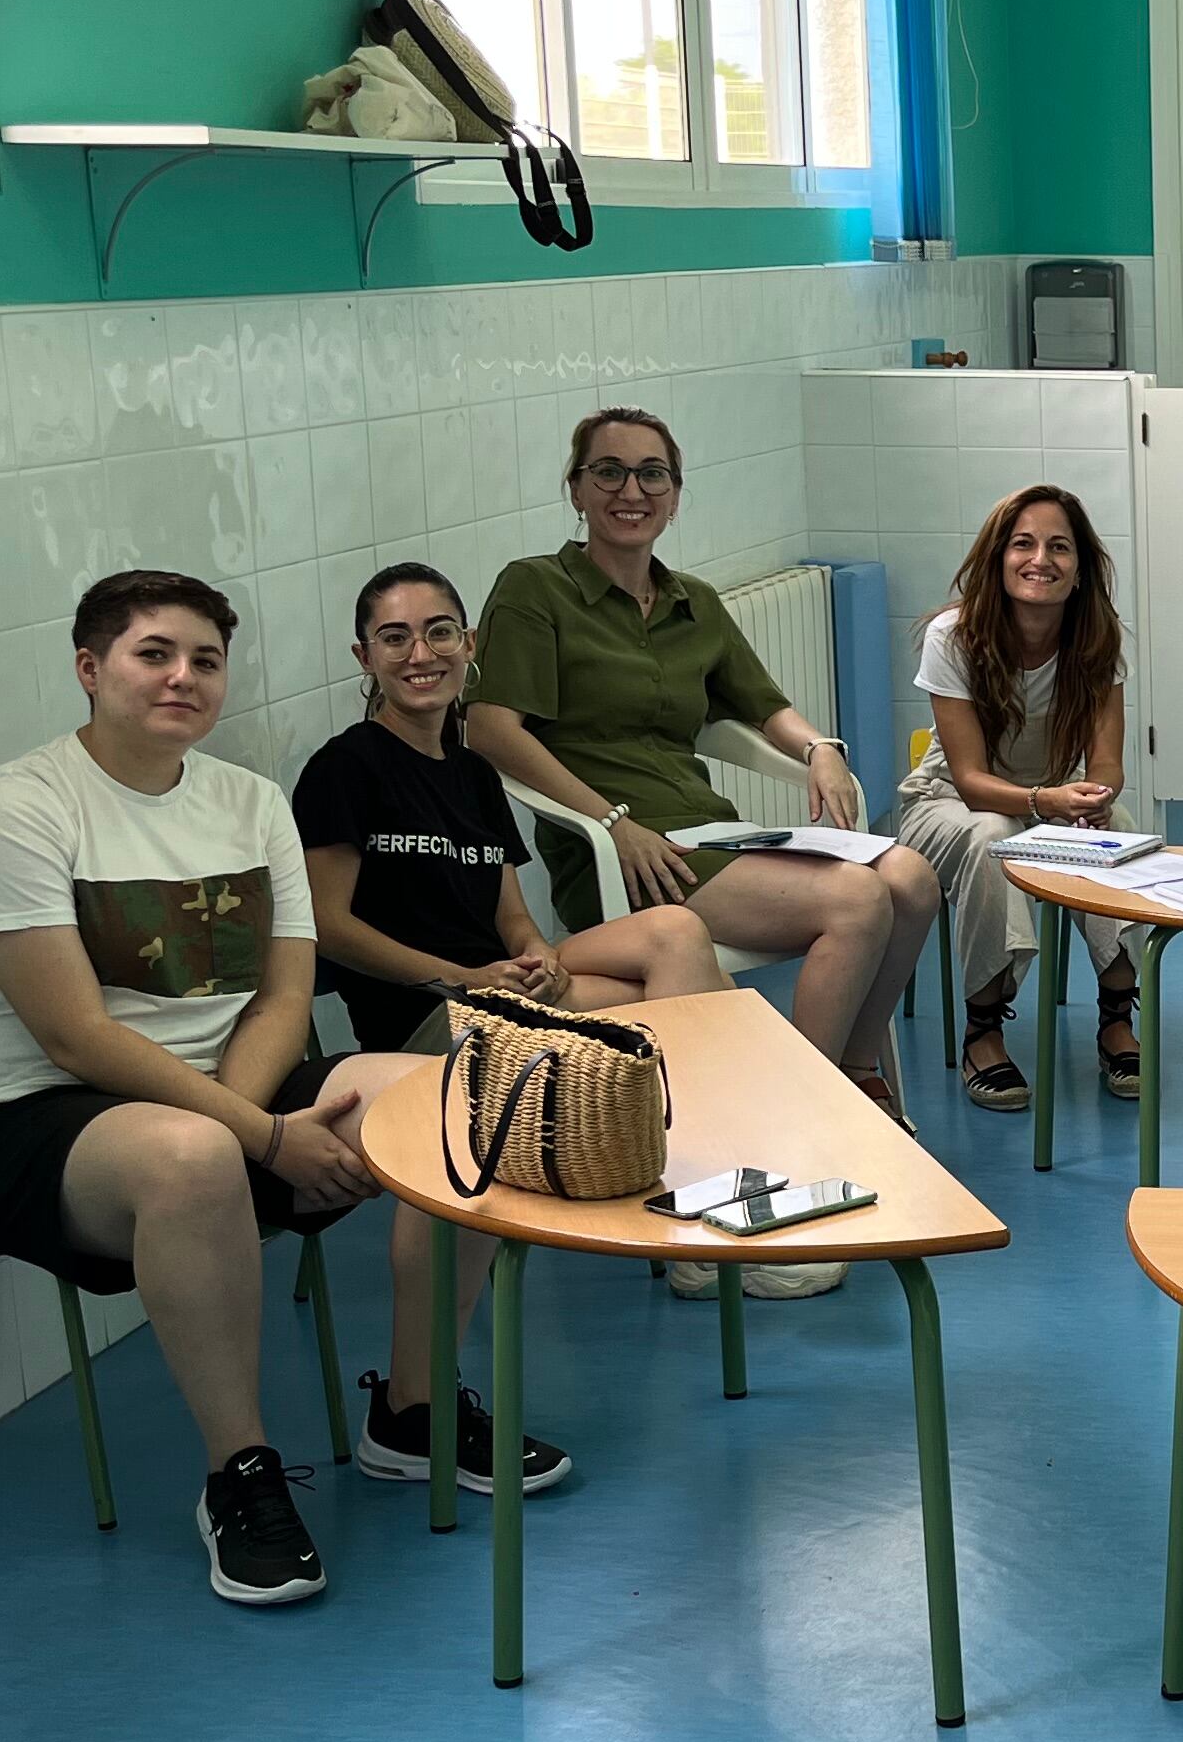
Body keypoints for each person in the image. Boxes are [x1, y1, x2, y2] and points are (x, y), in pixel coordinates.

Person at [0, 571, 564, 1611]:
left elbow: (282, 997)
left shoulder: (249, 801)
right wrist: (257, 1139)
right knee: (192, 1159)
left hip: (240, 1090)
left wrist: (254, 1116)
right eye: (154, 654)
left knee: (469, 1092)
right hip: (45, 1121)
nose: (183, 677)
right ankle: (242, 1474)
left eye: (206, 660)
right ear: (91, 670)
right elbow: (74, 1034)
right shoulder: (22, 808)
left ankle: (411, 1415)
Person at [466, 408, 939, 1297]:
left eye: (652, 475)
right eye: (607, 473)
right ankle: (801, 1120)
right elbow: (490, 727)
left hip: (710, 833)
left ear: (676, 494)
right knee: (855, 901)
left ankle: (854, 1076)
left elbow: (763, 703)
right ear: (575, 489)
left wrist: (819, 747)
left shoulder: (694, 604)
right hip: (625, 852)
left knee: (910, 875)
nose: (630, 492)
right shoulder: (535, 590)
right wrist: (607, 819)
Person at [295, 562, 736, 1059]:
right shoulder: (343, 768)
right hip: (430, 1017)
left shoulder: (474, 774)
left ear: (469, 643)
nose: (421, 655)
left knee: (677, 933)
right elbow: (326, 926)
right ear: (366, 657)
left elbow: (513, 918)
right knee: (704, 989)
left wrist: (539, 953)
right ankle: (690, 1126)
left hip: (501, 984)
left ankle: (675, 1124)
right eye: (395, 638)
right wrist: (466, 978)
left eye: (439, 633)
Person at [893, 484, 1146, 1112]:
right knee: (991, 839)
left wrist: (1097, 798)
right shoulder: (954, 636)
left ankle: (1117, 1018)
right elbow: (973, 780)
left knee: (1129, 837)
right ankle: (984, 1030)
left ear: (1081, 568)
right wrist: (1046, 802)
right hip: (949, 802)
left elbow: (1107, 761)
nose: (1041, 559)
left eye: (1059, 546)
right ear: (998, 557)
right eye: (1024, 544)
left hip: (1052, 800)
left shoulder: (1098, 639)